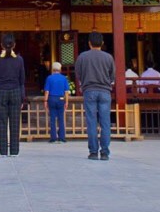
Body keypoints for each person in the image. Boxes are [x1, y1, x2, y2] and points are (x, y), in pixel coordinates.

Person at [74, 30, 115, 160]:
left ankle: (93, 152)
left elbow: (78, 73)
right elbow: (112, 76)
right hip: (105, 91)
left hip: (89, 90)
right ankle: (104, 152)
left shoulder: (82, 57)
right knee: (105, 123)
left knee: (91, 122)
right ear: (102, 43)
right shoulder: (108, 57)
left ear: (89, 43)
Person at [0, 33, 26, 156]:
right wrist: (22, 97)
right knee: (15, 122)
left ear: (1, 45)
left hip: (1, 91)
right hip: (16, 90)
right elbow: (22, 80)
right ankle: (14, 151)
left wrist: (0, 86)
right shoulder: (19, 59)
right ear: (14, 45)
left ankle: (3, 151)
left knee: (1, 122)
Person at [44, 61, 70, 143]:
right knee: (61, 118)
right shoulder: (64, 78)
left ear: (52, 69)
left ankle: (53, 138)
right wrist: (66, 102)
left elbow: (47, 91)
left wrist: (45, 101)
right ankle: (62, 137)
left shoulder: (49, 78)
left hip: (51, 98)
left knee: (52, 119)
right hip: (61, 99)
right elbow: (66, 91)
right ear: (60, 69)